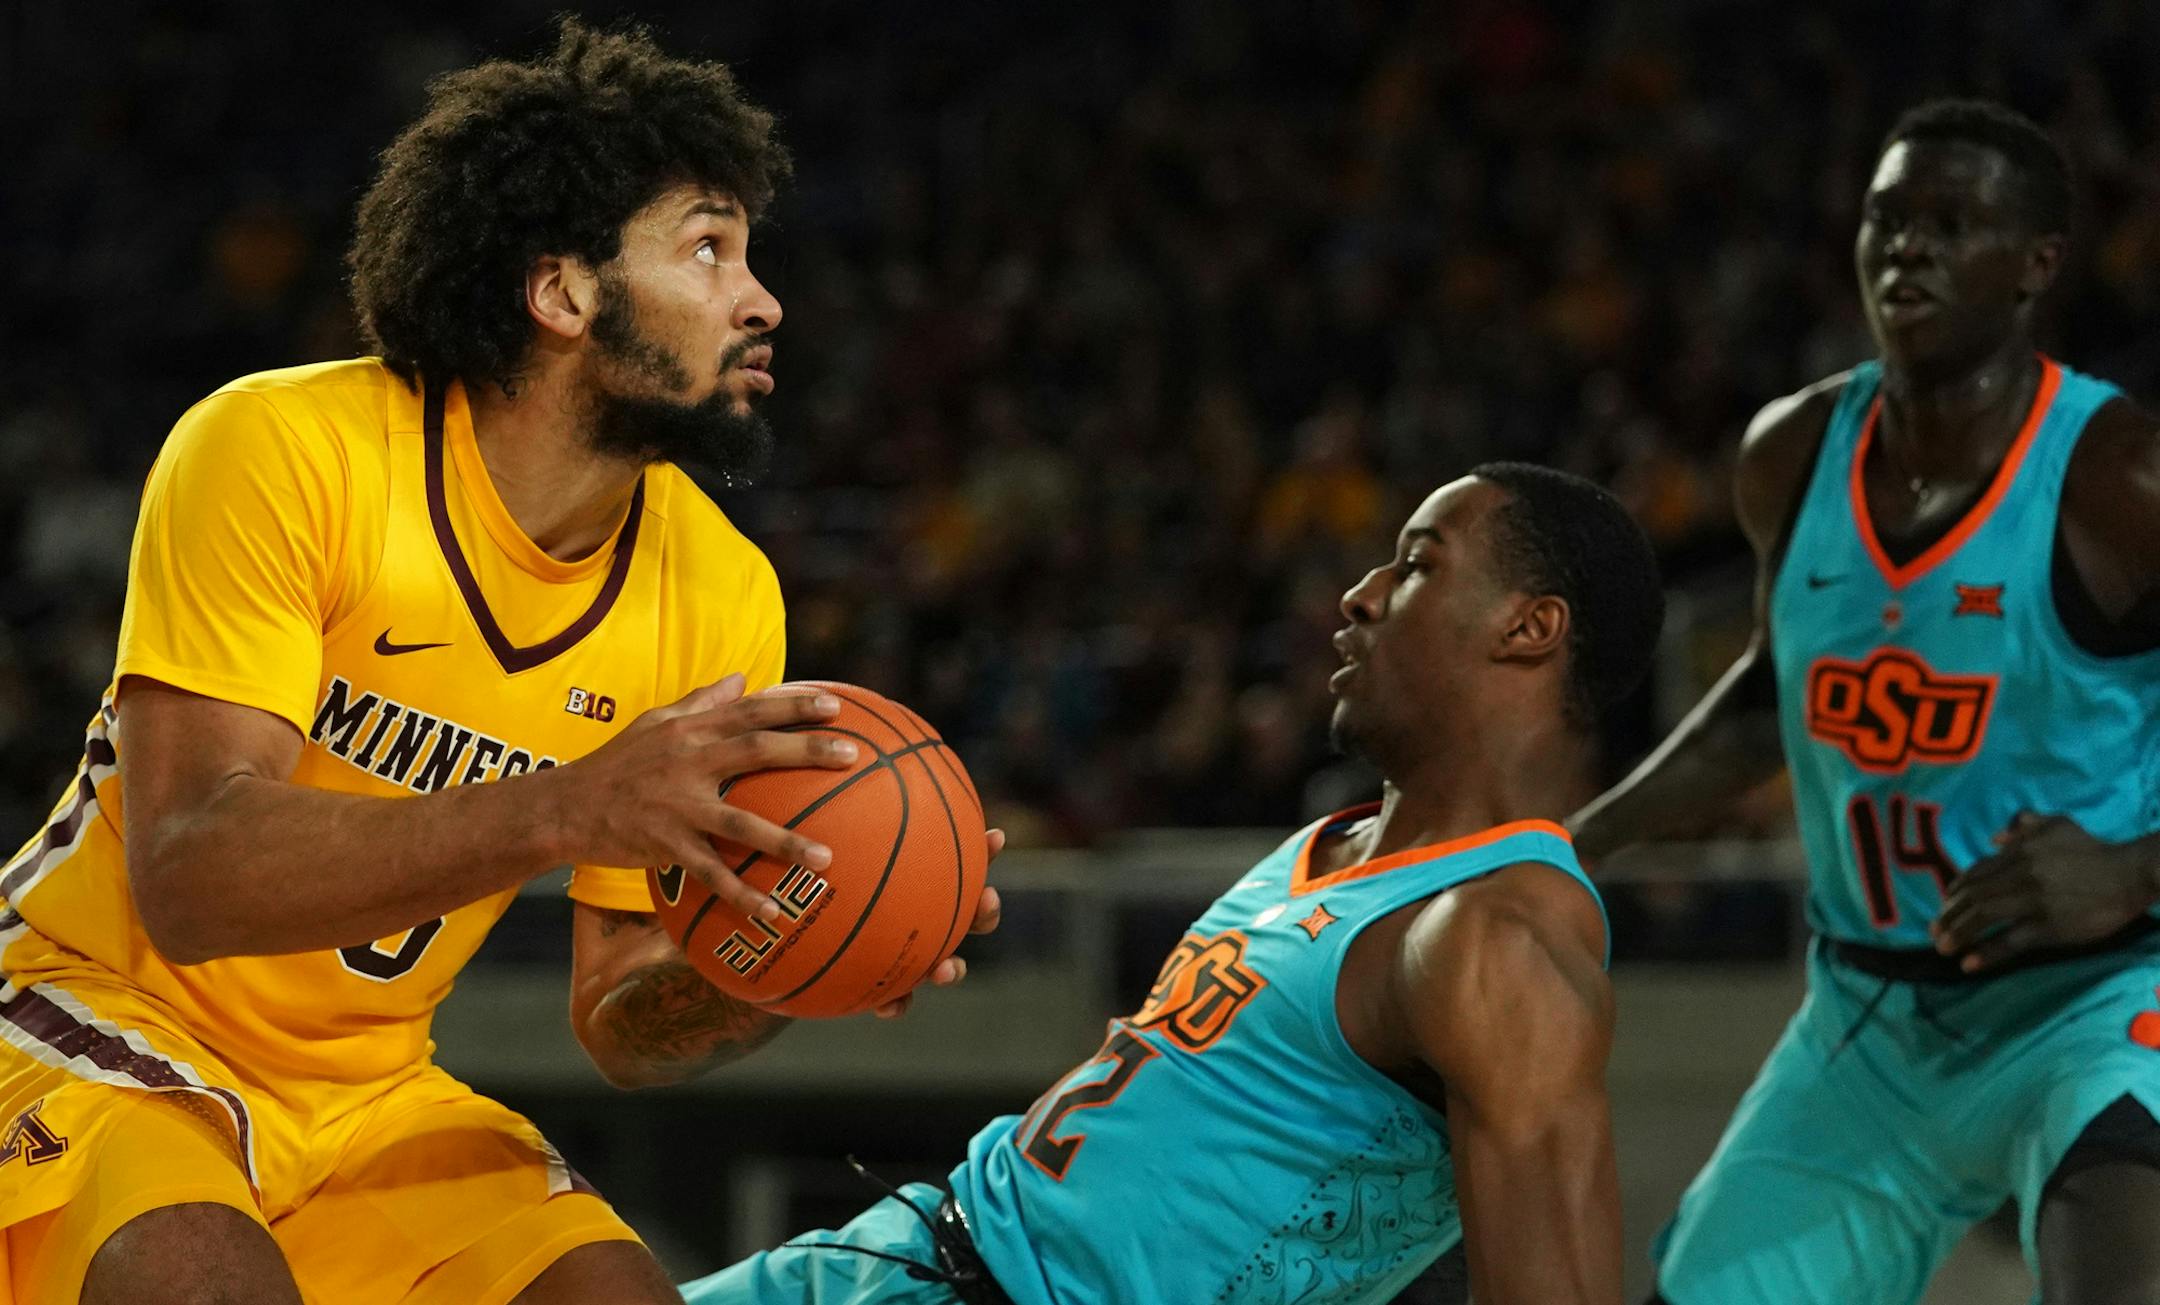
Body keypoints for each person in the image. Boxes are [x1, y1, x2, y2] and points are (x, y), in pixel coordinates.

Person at [0, 21, 993, 1305]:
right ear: (563, 292)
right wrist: (569, 804)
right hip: (84, 1015)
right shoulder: (280, 447)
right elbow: (190, 871)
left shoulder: (720, 589)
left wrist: (794, 960)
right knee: (204, 1281)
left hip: (366, 1091)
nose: (762, 300)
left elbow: (621, 1017)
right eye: (707, 248)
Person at [689, 463, 1663, 1305]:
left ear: (1530, 628)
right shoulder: (1332, 848)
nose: (1360, 593)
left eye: (1415, 564)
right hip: (911, 1246)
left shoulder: (1499, 939)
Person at [1570, 99, 2160, 1304]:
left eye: (1954, 225)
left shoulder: (2118, 475)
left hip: (2097, 996)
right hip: (1869, 1016)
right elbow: (1768, 699)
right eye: (1889, 220)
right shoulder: (1790, 453)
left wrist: (2136, 869)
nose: (1909, 251)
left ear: (2038, 265)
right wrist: (1573, 843)